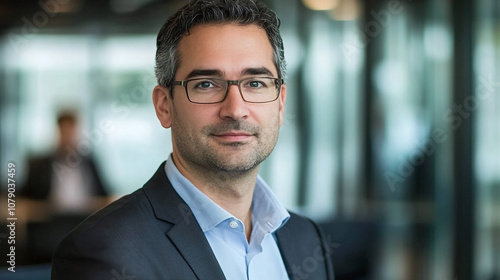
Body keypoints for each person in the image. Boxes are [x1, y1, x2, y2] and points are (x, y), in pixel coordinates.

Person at [52, 0, 335, 279]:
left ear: (281, 104)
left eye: (256, 83)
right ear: (164, 106)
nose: (235, 109)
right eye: (206, 85)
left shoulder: (307, 239)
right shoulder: (105, 251)